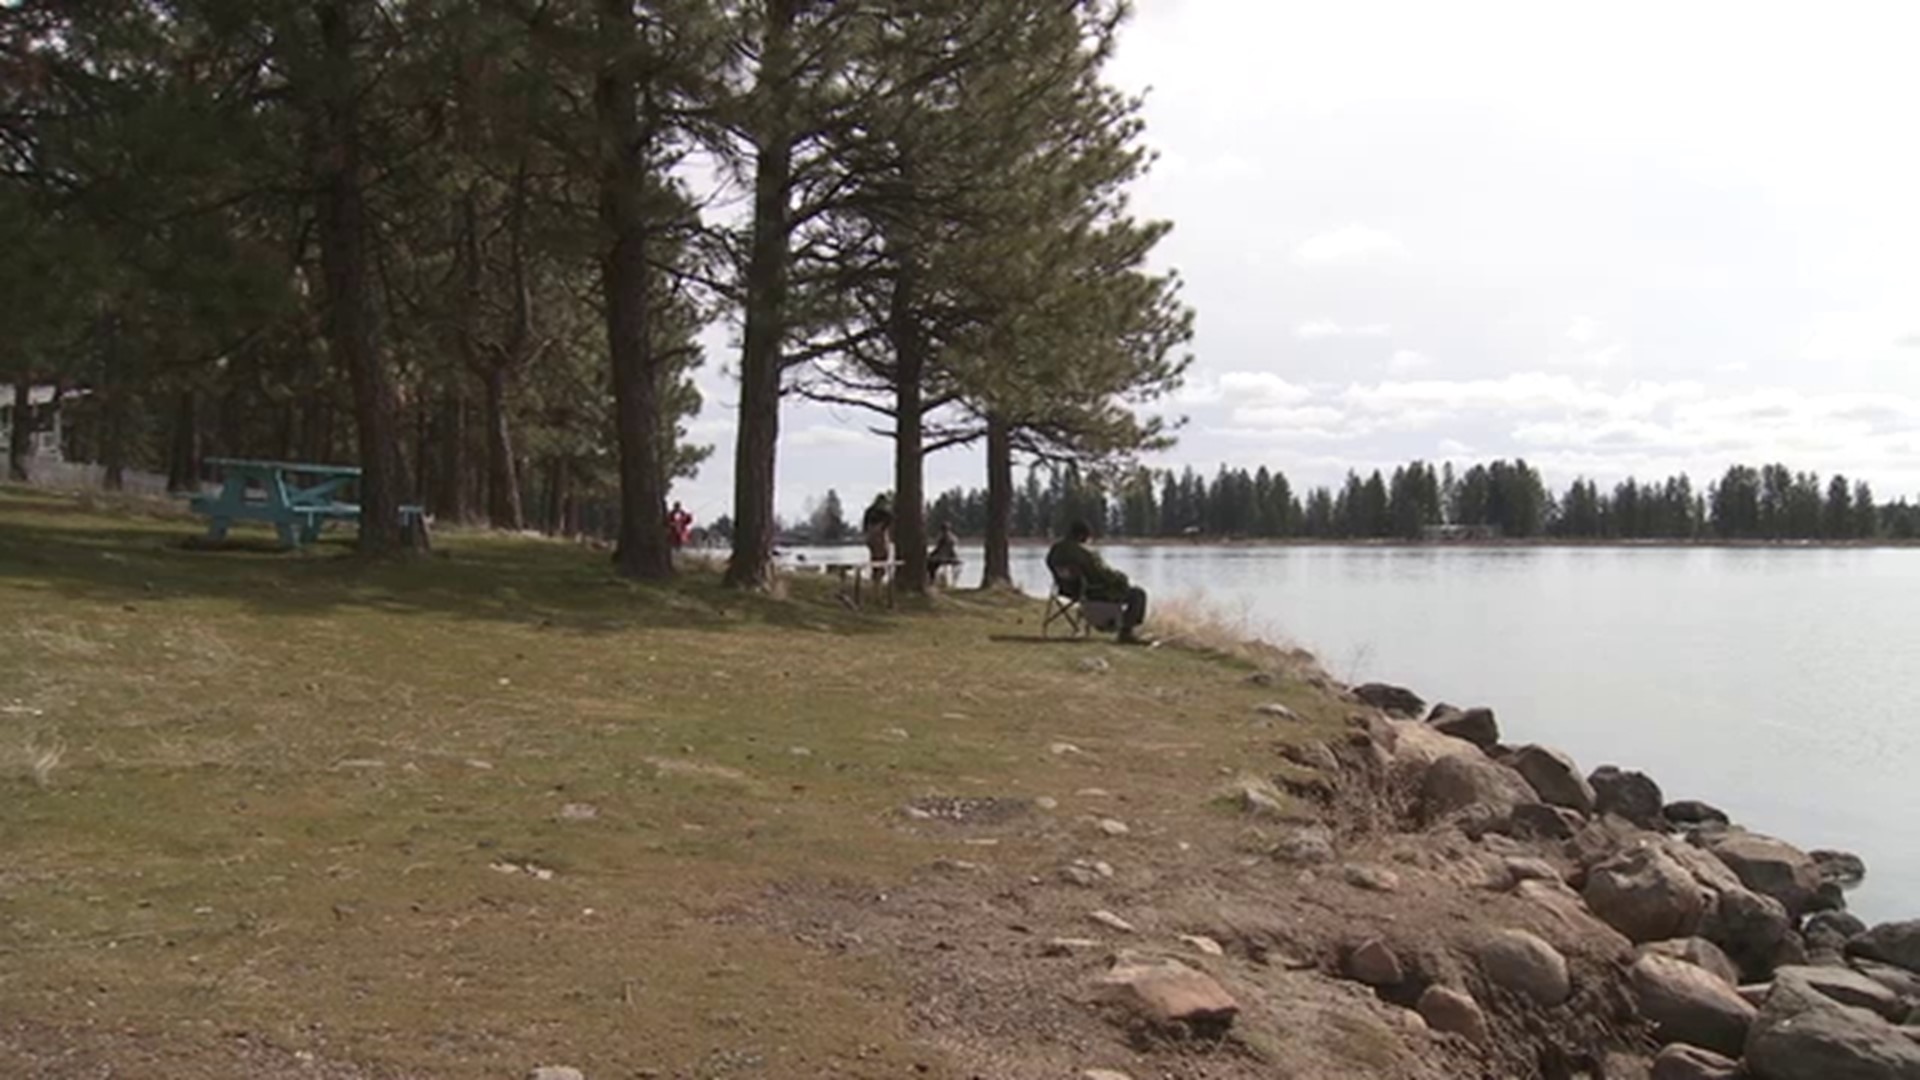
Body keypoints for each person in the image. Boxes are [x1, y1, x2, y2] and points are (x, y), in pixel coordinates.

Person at [1046, 520, 1149, 644]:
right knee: (1138, 594)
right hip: (1090, 591)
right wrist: (1121, 577)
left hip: (1065, 589)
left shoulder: (1055, 550)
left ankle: (1116, 624)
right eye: (1087, 537)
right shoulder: (1084, 554)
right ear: (1082, 536)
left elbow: (1050, 564)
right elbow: (1102, 575)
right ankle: (1125, 632)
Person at [861, 494, 894, 581]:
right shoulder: (882, 513)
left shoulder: (870, 511)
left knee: (878, 557)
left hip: (875, 537)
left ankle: (877, 576)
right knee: (880, 557)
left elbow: (865, 526)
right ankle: (877, 576)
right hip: (877, 537)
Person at [928, 521, 961, 586]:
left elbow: (938, 549)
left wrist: (930, 555)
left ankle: (932, 580)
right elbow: (953, 549)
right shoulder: (953, 537)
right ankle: (940, 580)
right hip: (952, 556)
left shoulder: (943, 538)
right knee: (932, 562)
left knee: (929, 564)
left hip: (942, 557)